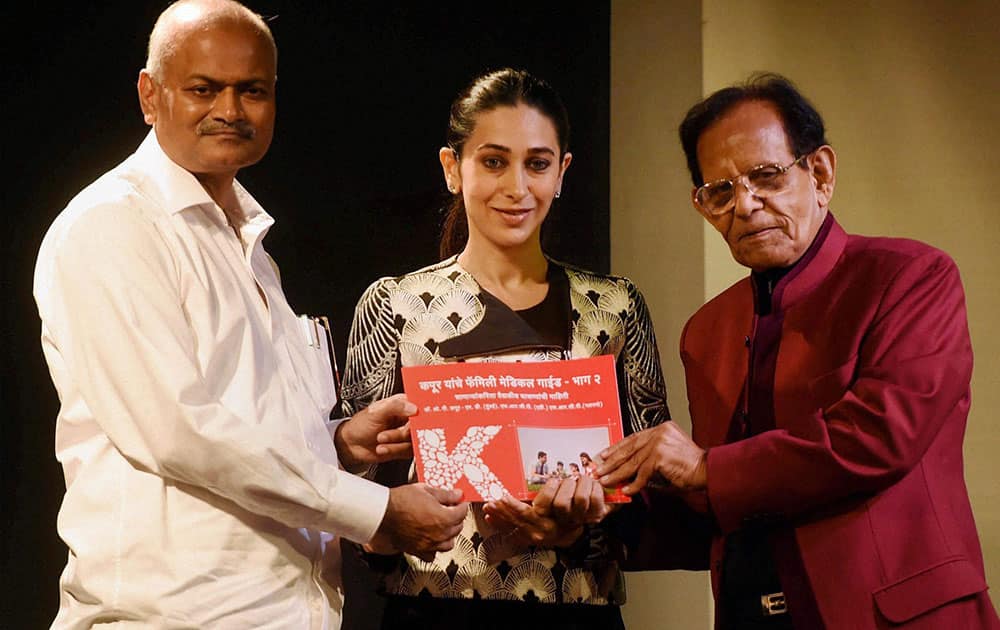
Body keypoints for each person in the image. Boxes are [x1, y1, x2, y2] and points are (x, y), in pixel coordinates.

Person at [32, 1, 467, 627]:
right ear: (149, 96)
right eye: (203, 89)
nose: (230, 111)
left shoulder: (247, 243)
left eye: (252, 91)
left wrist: (337, 444)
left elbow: (244, 419)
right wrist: (373, 510)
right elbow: (181, 432)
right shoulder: (112, 226)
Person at [597, 72, 1000, 629]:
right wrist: (593, 518)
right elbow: (723, 504)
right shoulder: (707, 331)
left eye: (765, 177)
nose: (746, 204)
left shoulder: (910, 277)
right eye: (720, 191)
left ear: (821, 173)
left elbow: (879, 436)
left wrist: (707, 468)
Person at [340, 68, 670, 630]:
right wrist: (397, 526)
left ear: (561, 172)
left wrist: (585, 529)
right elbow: (343, 498)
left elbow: (653, 490)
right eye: (493, 161)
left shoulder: (614, 307)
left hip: (577, 611)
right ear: (453, 168)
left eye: (537, 163)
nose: (517, 186)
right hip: (431, 610)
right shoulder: (397, 306)